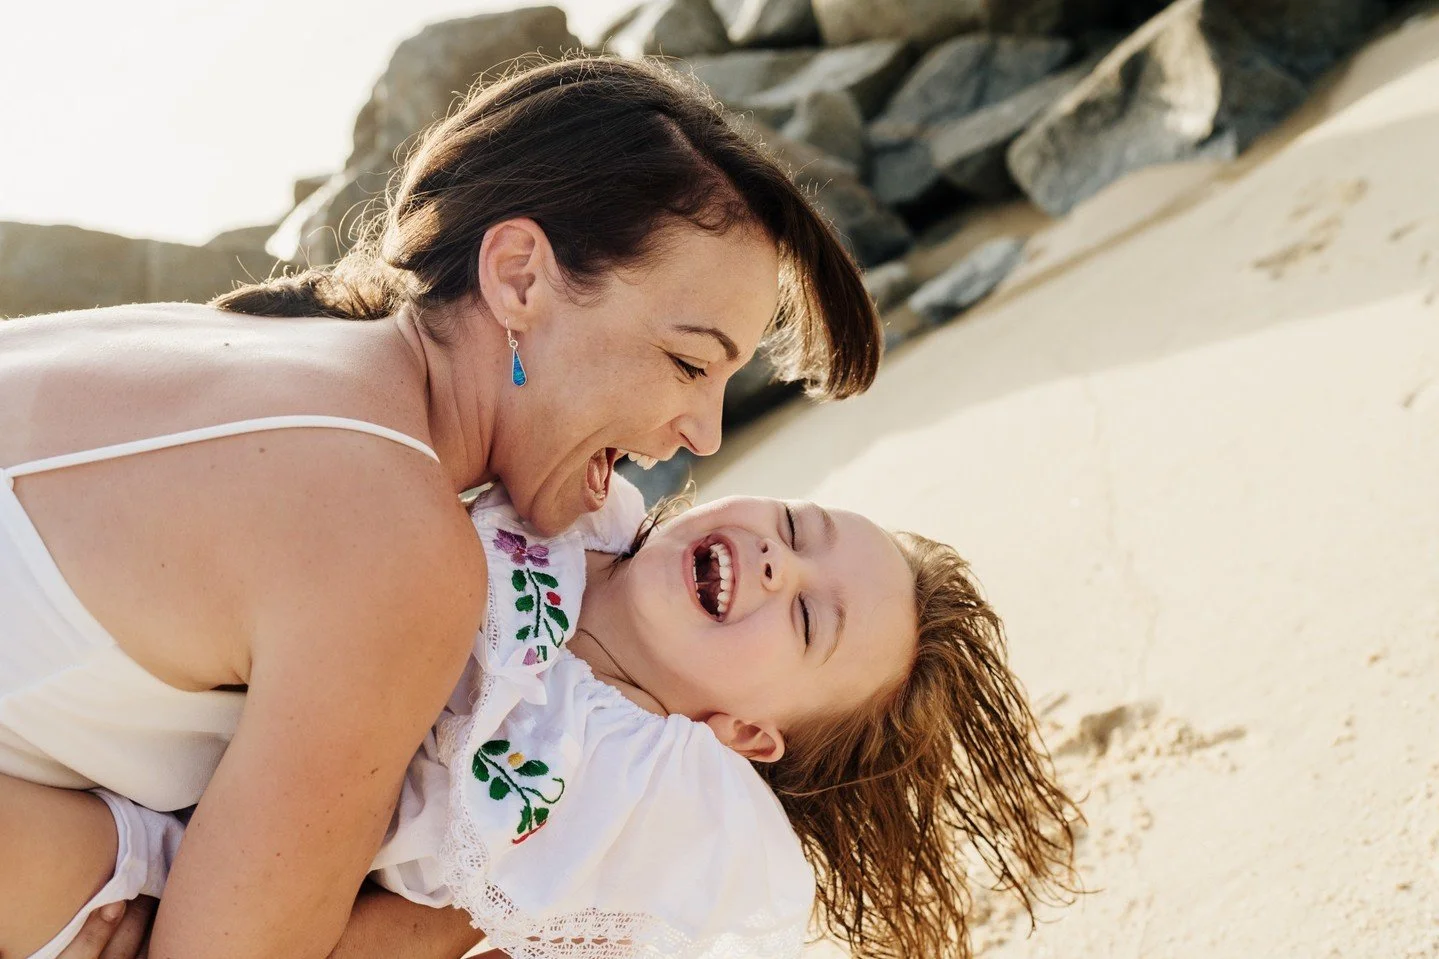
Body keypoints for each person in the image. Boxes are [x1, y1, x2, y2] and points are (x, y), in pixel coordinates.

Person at [0, 55, 882, 959]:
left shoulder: (260, 347)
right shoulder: (388, 537)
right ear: (518, 277)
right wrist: (515, 901)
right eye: (689, 363)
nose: (701, 432)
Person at [8, 476, 1079, 959]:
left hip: (193, 866)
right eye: (795, 523)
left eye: (805, 615)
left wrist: (200, 936)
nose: (772, 556)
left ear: (746, 734)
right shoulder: (562, 505)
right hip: (179, 698)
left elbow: (420, 935)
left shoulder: (617, 782)